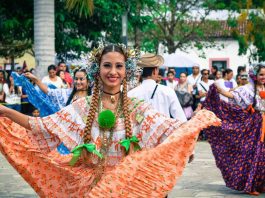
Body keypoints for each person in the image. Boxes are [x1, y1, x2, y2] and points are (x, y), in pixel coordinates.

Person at [0, 44, 220, 197]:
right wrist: (5, 112)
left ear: (127, 71)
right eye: (107, 65)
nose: (113, 71)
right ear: (98, 69)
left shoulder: (137, 108)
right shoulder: (81, 107)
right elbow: (41, 125)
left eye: (119, 66)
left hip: (127, 188)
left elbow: (169, 127)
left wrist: (189, 138)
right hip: (90, 187)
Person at [203, 64, 265, 195]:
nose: (263, 77)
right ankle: (250, 185)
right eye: (261, 74)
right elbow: (233, 96)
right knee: (253, 154)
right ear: (255, 75)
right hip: (254, 126)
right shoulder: (248, 89)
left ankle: (261, 184)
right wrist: (218, 90)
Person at [128, 53, 187, 122]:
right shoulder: (168, 91)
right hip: (165, 132)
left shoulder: (131, 94)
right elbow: (181, 119)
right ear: (155, 71)